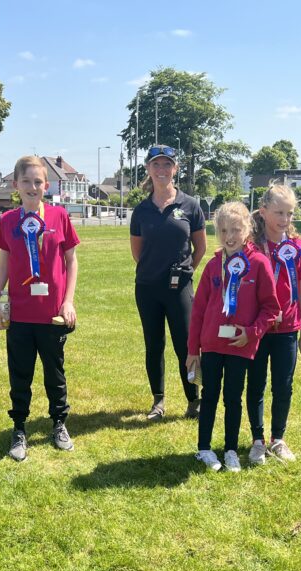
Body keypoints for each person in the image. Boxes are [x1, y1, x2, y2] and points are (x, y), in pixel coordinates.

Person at [0, 155, 80, 462]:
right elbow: (4, 264)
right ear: (15, 185)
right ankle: (19, 428)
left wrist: (68, 301)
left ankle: (59, 424)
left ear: (47, 185)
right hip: (20, 314)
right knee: (20, 374)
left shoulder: (59, 216)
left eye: (38, 181)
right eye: (26, 181)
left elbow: (71, 262)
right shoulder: (7, 221)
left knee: (55, 373)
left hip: (52, 315)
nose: (32, 187)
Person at [186, 202, 279, 472]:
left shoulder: (259, 264)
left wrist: (251, 333)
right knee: (210, 396)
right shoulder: (213, 266)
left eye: (236, 230)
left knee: (233, 398)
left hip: (239, 346)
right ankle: (204, 449)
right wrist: (193, 350)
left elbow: (271, 308)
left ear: (247, 229)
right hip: (212, 345)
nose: (229, 236)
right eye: (224, 230)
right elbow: (198, 310)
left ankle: (230, 450)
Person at [130, 145, 206, 421]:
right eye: (156, 164)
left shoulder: (190, 205)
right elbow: (137, 252)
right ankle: (158, 400)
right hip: (148, 288)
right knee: (154, 345)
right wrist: (156, 270)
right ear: (148, 169)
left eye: (167, 164)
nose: (161, 170)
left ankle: (193, 399)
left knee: (187, 345)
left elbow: (200, 247)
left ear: (175, 169)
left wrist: (185, 271)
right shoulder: (141, 210)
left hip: (180, 288)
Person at [246, 184, 301, 464]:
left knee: (283, 385)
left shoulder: (300, 248)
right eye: (279, 213)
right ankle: (257, 440)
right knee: (255, 385)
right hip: (257, 328)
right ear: (263, 211)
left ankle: (278, 438)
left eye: (289, 213)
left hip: (288, 329)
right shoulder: (250, 247)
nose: (285, 219)